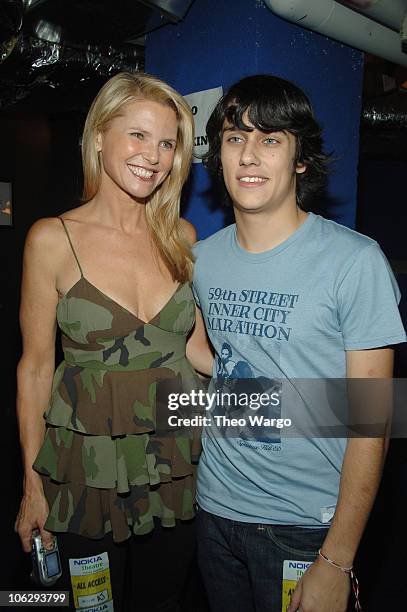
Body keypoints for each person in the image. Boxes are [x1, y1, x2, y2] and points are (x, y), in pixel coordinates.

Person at [192, 75, 406, 612]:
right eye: (235, 138)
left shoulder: (354, 261)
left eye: (271, 139)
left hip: (306, 528)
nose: (249, 156)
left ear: (300, 160)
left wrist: (338, 559)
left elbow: (372, 421)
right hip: (214, 508)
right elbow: (208, 356)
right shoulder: (204, 259)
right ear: (217, 156)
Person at [15, 71, 213, 612]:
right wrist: (32, 486)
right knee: (93, 605)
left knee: (164, 599)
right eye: (138, 135)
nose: (154, 155)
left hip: (176, 463)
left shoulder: (184, 237)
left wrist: (297, 397)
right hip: (88, 474)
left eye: (168, 142)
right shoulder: (51, 239)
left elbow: (197, 352)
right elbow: (34, 369)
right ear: (98, 136)